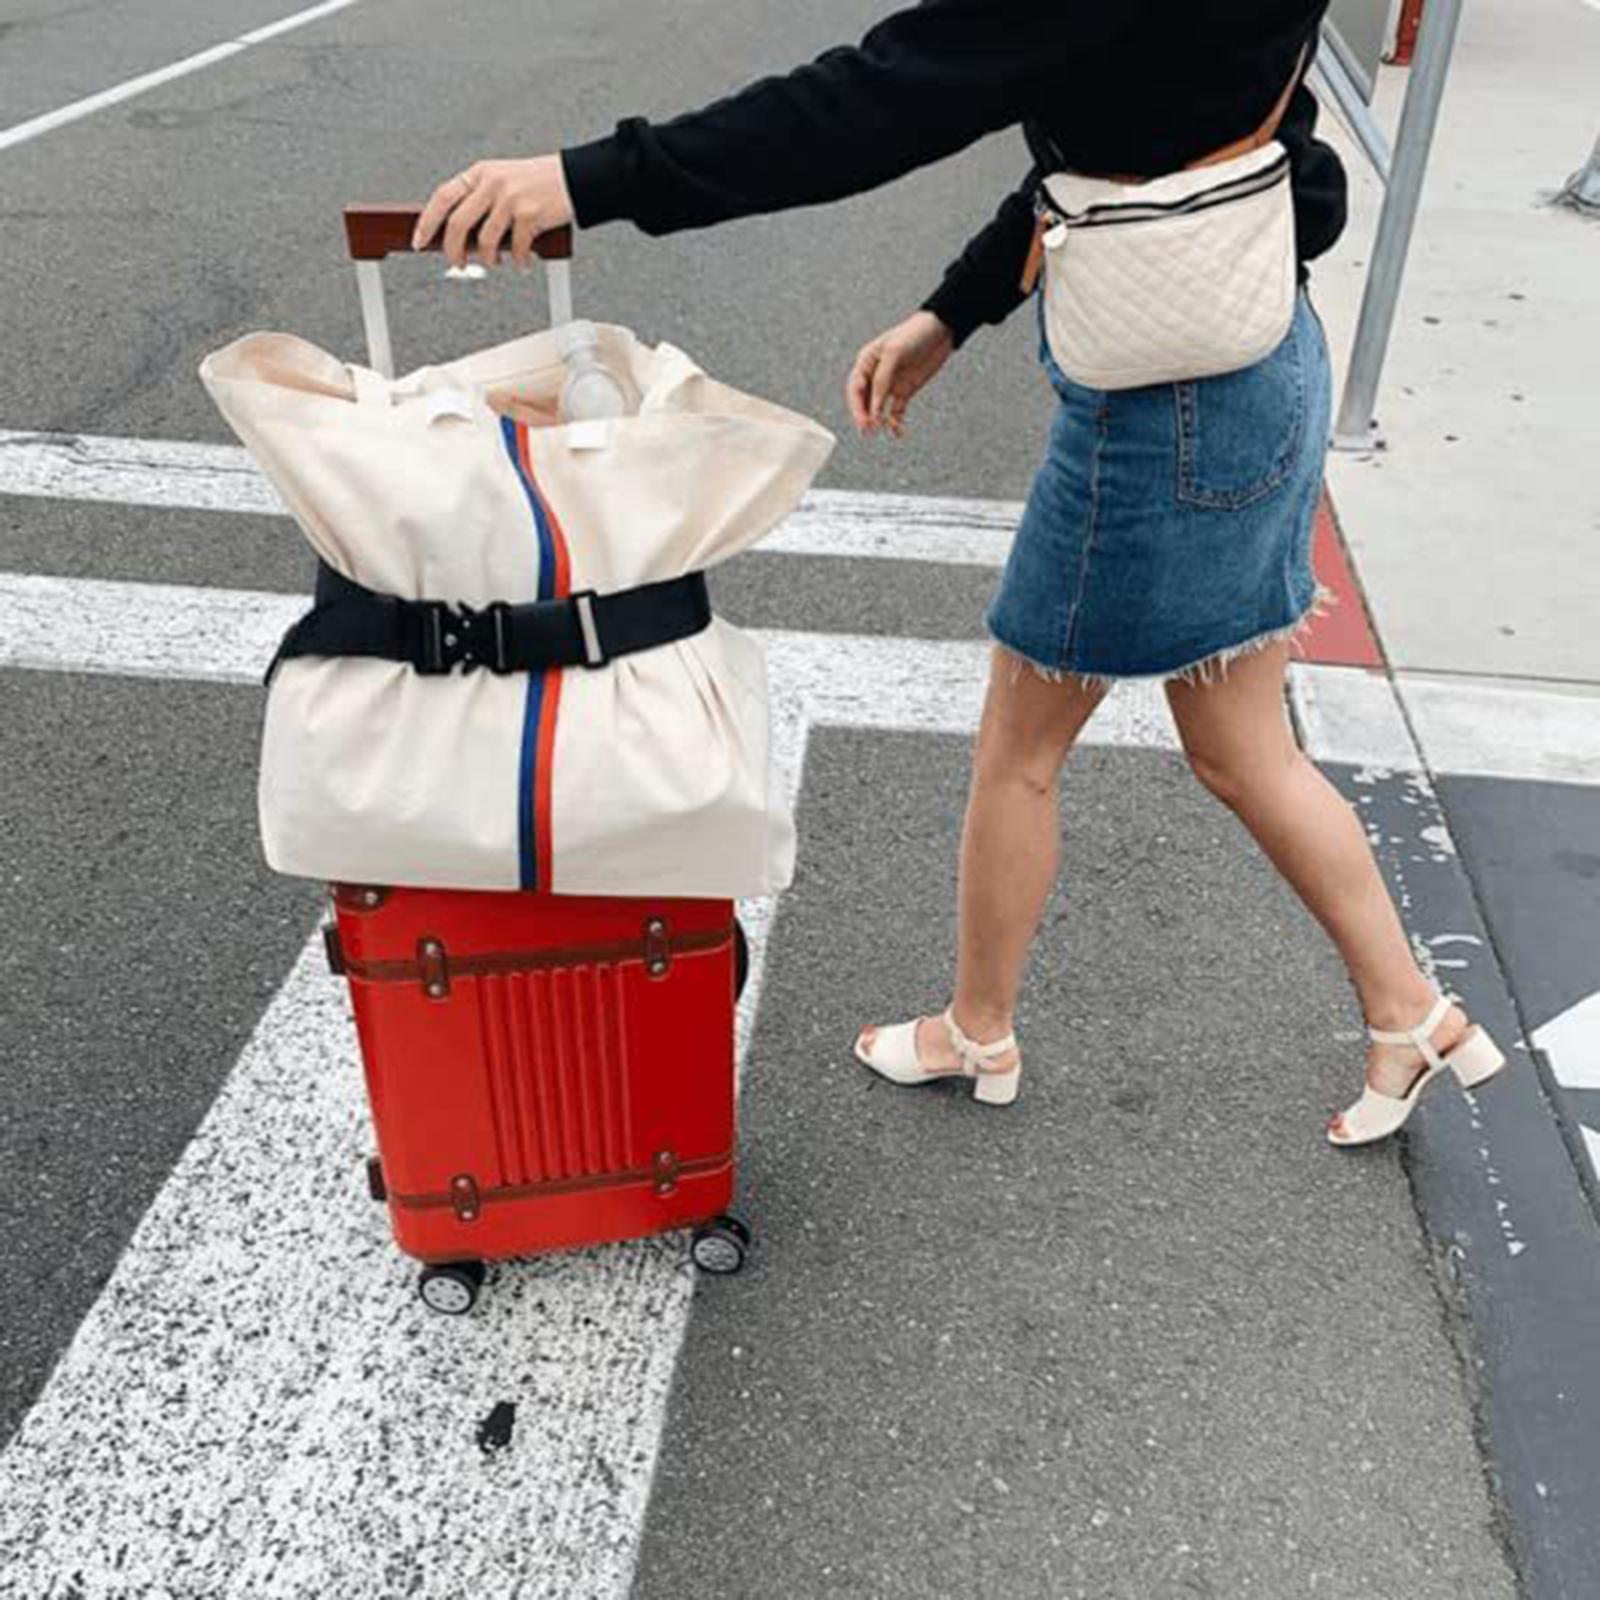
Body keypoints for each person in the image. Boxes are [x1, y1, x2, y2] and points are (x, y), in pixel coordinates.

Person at [414, 0, 1506, 1146]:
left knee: (1022, 752)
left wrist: (586, 179)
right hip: (1260, 356)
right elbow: (1141, 118)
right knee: (1243, 748)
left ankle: (978, 1031)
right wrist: (952, 310)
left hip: (1162, 408)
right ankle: (1409, 1014)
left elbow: (875, 101)